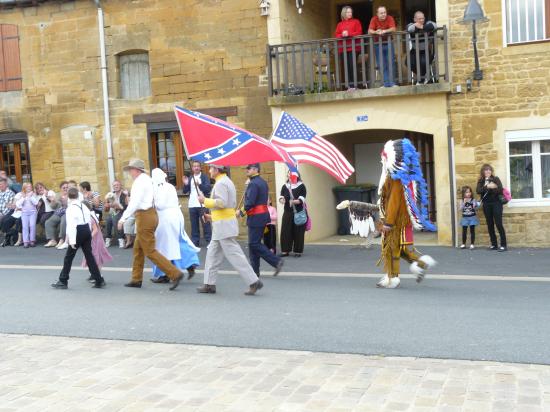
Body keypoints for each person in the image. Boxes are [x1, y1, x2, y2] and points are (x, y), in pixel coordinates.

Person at [338, 139, 437, 288]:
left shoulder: (395, 178)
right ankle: (420, 264)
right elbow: (386, 203)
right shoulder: (402, 177)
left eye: (383, 157)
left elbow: (394, 202)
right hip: (399, 220)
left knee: (391, 249)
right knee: (400, 249)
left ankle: (392, 278)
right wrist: (353, 204)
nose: (381, 160)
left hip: (395, 221)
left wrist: (389, 223)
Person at [196, 164, 263, 295]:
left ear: (216, 170)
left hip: (223, 227)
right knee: (212, 256)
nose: (209, 171)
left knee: (235, 256)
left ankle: (254, 281)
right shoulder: (225, 181)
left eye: (210, 168)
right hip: (221, 224)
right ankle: (209, 284)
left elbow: (222, 203)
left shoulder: (221, 183)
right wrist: (211, 217)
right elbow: (225, 208)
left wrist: (205, 200)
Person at [117, 159, 184, 290]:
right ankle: (136, 279)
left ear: (136, 170)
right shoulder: (147, 180)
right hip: (150, 214)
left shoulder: (139, 182)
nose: (130, 172)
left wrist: (122, 219)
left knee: (149, 250)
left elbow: (135, 203)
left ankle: (175, 273)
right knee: (138, 249)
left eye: (131, 169)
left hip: (144, 215)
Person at [149, 168, 200, 283]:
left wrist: (152, 202)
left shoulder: (158, 188)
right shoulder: (170, 186)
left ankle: (165, 274)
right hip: (176, 216)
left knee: (163, 246)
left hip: (165, 218)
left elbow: (160, 205)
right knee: (178, 240)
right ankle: (189, 264)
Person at [50, 187, 106, 289]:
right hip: (86, 229)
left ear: (68, 196)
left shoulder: (71, 208)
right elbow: (89, 219)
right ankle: (99, 279)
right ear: (77, 195)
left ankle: (63, 280)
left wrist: (71, 240)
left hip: (78, 230)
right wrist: (88, 233)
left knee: (69, 257)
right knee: (89, 256)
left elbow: (71, 225)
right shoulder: (83, 205)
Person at [238, 164, 283, 277]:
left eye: (249, 168)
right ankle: (255, 272)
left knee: (254, 243)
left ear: (256, 169)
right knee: (253, 244)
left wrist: (241, 212)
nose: (247, 170)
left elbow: (250, 202)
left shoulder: (253, 183)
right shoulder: (261, 182)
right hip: (261, 216)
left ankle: (276, 261)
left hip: (256, 217)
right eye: (247, 168)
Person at [476, 164, 507, 251]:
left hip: (496, 203)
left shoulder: (495, 179)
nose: (488, 171)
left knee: (498, 223)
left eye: (489, 170)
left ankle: (503, 245)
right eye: (486, 170)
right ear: (483, 172)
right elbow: (478, 190)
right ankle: (494, 244)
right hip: (486, 204)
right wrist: (487, 186)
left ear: (491, 171)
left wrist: (494, 187)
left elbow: (500, 189)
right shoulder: (481, 181)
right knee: (490, 224)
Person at [183, 161, 212, 247]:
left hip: (202, 204)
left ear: (200, 168)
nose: (196, 168)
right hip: (192, 204)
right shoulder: (191, 177)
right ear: (192, 168)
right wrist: (185, 184)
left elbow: (208, 189)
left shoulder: (204, 177)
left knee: (205, 223)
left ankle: (209, 241)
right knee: (194, 224)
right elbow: (185, 191)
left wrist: (199, 185)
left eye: (197, 166)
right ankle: (195, 242)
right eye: (194, 166)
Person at [279, 172, 307, 257]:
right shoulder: (285, 186)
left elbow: (302, 198)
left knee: (298, 231)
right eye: (288, 173)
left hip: (298, 211)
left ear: (296, 176)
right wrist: (282, 200)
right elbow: (281, 197)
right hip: (287, 211)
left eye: (292, 174)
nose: (290, 175)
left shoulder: (301, 186)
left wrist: (294, 201)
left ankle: (298, 251)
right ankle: (285, 250)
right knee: (285, 231)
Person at [334, 5, 363, 90]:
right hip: (343, 49)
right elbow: (336, 35)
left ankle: (355, 85)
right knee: (346, 67)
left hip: (354, 47)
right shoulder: (340, 24)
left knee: (353, 66)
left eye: (350, 12)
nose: (350, 13)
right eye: (348, 12)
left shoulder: (356, 21)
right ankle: (349, 86)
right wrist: (342, 34)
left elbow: (359, 32)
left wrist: (348, 34)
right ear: (344, 13)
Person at [368, 6, 397, 88]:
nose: (383, 14)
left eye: (384, 12)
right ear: (377, 14)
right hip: (378, 44)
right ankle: (386, 83)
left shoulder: (390, 18)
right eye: (381, 13)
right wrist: (376, 32)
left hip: (388, 43)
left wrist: (385, 31)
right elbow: (369, 31)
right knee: (381, 64)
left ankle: (392, 83)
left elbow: (393, 29)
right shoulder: (374, 19)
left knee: (390, 63)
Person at [407, 11, 436, 84]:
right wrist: (420, 27)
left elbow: (434, 26)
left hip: (426, 51)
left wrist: (422, 27)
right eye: (419, 19)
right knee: (408, 62)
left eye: (422, 18)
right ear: (414, 19)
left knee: (423, 62)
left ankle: (421, 79)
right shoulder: (411, 24)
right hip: (415, 51)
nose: (421, 20)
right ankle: (423, 77)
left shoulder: (428, 23)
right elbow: (409, 29)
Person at [103, 180, 128, 248]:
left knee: (115, 218)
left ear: (120, 185)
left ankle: (121, 238)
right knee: (108, 219)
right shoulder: (110, 194)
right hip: (114, 213)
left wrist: (114, 205)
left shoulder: (124, 194)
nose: (116, 186)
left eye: (117, 185)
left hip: (123, 212)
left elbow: (124, 207)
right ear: (113, 187)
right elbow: (106, 210)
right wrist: (106, 205)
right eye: (114, 185)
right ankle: (108, 238)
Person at [44, 181, 69, 248]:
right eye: (64, 188)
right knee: (48, 222)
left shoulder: (71, 194)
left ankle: (62, 239)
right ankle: (52, 240)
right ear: (61, 189)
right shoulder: (58, 195)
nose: (65, 189)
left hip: (68, 212)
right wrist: (52, 201)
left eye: (67, 187)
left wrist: (65, 201)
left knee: (63, 222)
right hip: (59, 212)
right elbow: (53, 207)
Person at [16, 183, 38, 248]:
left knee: (32, 225)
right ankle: (25, 241)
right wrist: (23, 197)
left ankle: (32, 240)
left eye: (30, 187)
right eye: (27, 187)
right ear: (24, 188)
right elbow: (18, 204)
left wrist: (31, 196)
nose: (29, 188)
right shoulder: (21, 195)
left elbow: (36, 203)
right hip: (24, 213)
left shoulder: (33, 194)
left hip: (32, 213)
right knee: (25, 227)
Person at [459, 186, 479, 250]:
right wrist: (464, 203)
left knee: (472, 231)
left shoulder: (473, 200)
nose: (468, 193)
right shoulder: (462, 200)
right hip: (465, 218)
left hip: (472, 217)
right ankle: (463, 244)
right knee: (464, 231)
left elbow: (475, 208)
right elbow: (460, 209)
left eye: (469, 192)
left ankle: (472, 244)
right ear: (464, 193)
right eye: (467, 192)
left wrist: (475, 205)